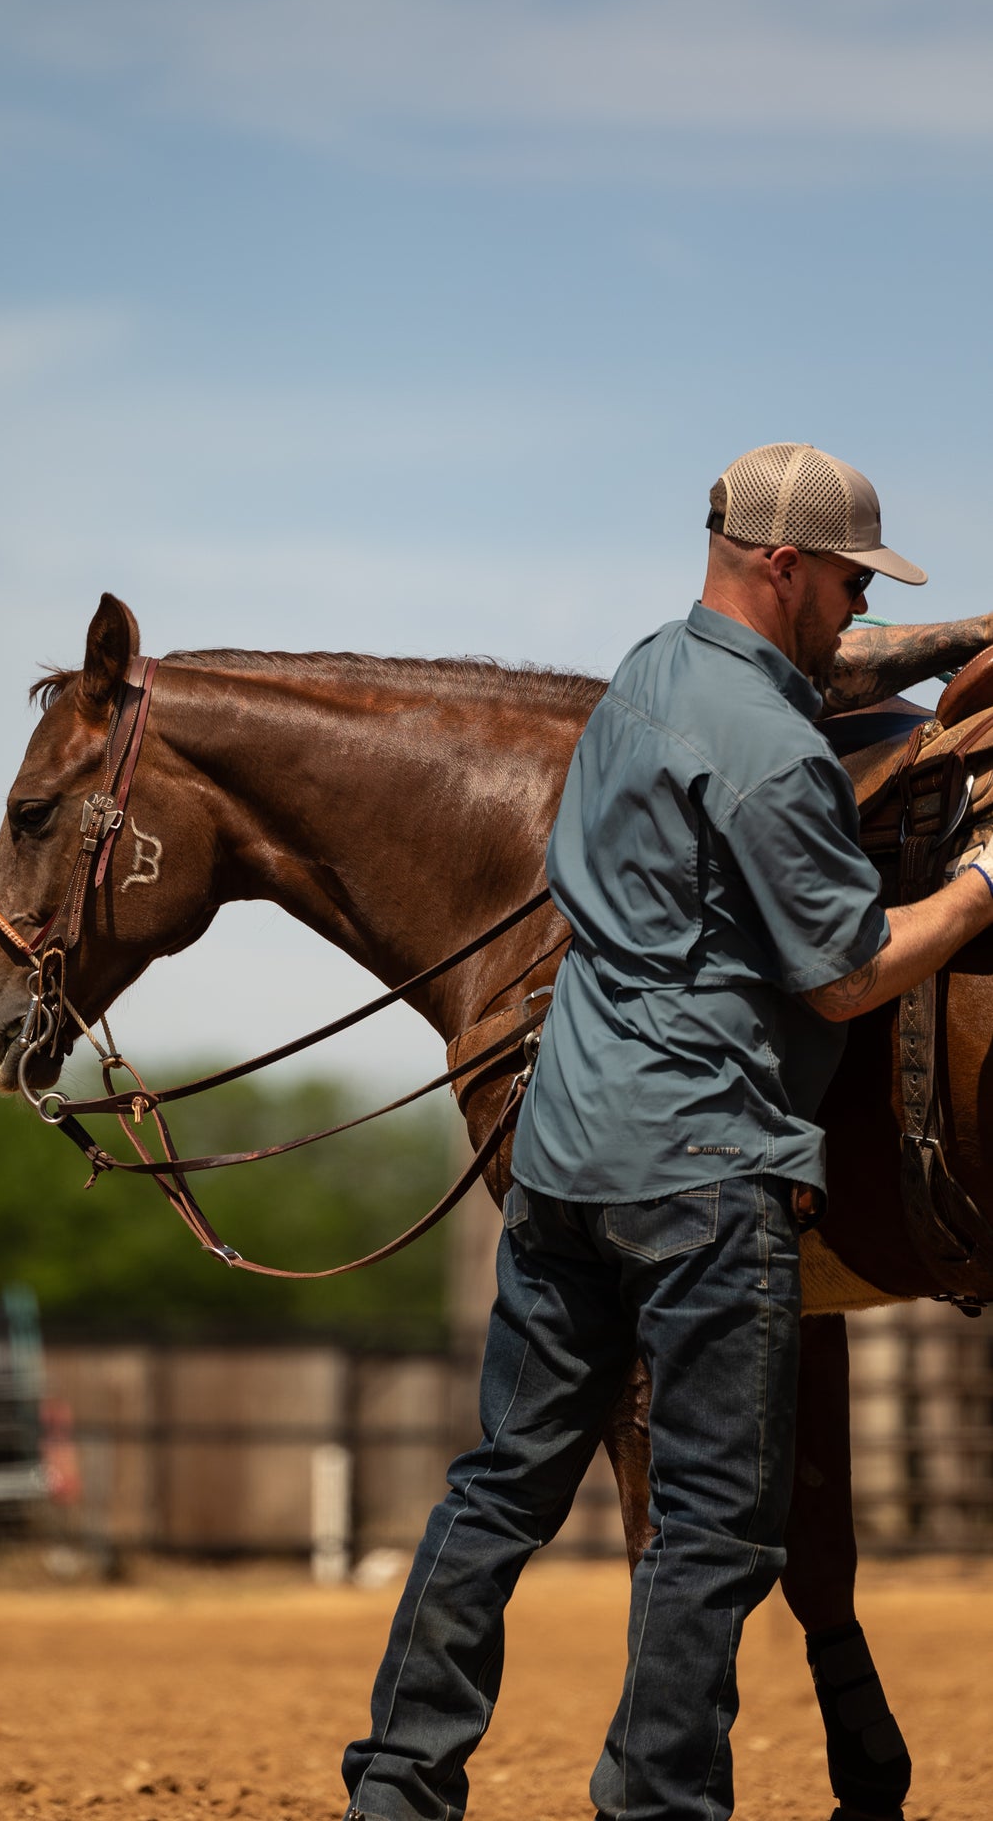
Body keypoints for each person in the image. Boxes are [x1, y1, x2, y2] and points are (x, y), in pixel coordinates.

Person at [342, 443, 993, 1821]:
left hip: (564, 1162)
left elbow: (832, 667)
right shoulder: (765, 756)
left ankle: (398, 1787)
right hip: (702, 1183)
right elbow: (849, 972)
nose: (846, 607)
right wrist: (985, 882)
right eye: (838, 582)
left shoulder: (644, 675)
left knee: (498, 1488)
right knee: (711, 1532)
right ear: (779, 565)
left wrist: (971, 635)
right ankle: (658, 1808)